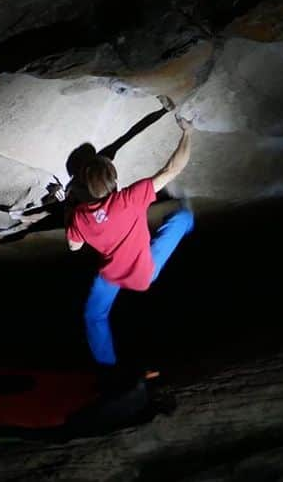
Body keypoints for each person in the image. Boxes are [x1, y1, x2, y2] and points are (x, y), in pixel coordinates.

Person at [66, 116, 195, 373]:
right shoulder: (131, 198)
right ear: (114, 180)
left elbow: (74, 247)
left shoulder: (80, 215)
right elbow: (172, 169)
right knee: (184, 216)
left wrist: (70, 211)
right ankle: (183, 216)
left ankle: (108, 369)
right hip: (142, 274)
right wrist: (188, 132)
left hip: (110, 277)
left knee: (94, 318)